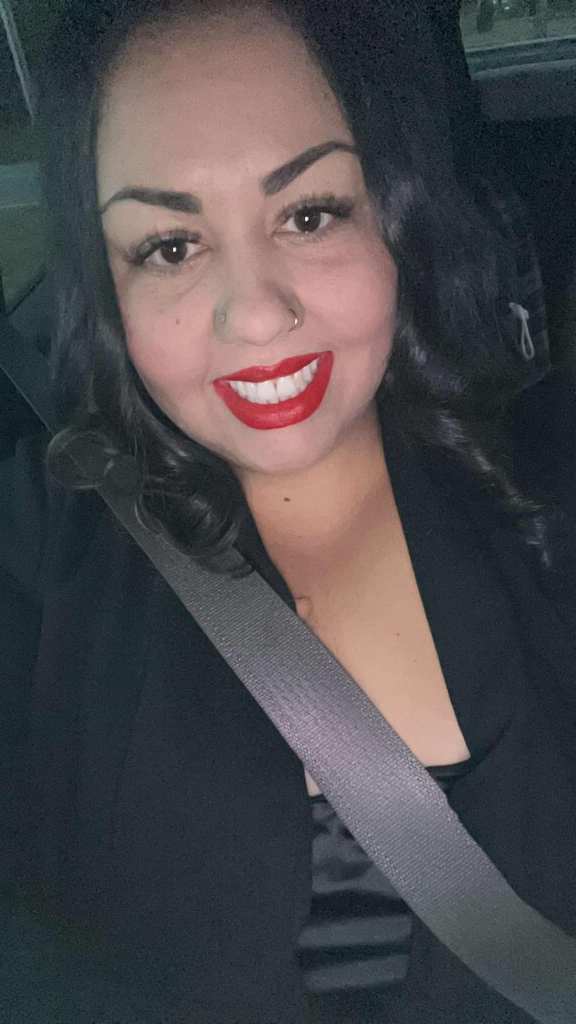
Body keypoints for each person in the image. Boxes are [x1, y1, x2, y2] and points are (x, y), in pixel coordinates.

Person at [2, 1, 576, 1022]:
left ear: (396, 213)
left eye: (309, 214)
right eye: (169, 245)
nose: (258, 314)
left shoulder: (550, 483)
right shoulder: (39, 555)